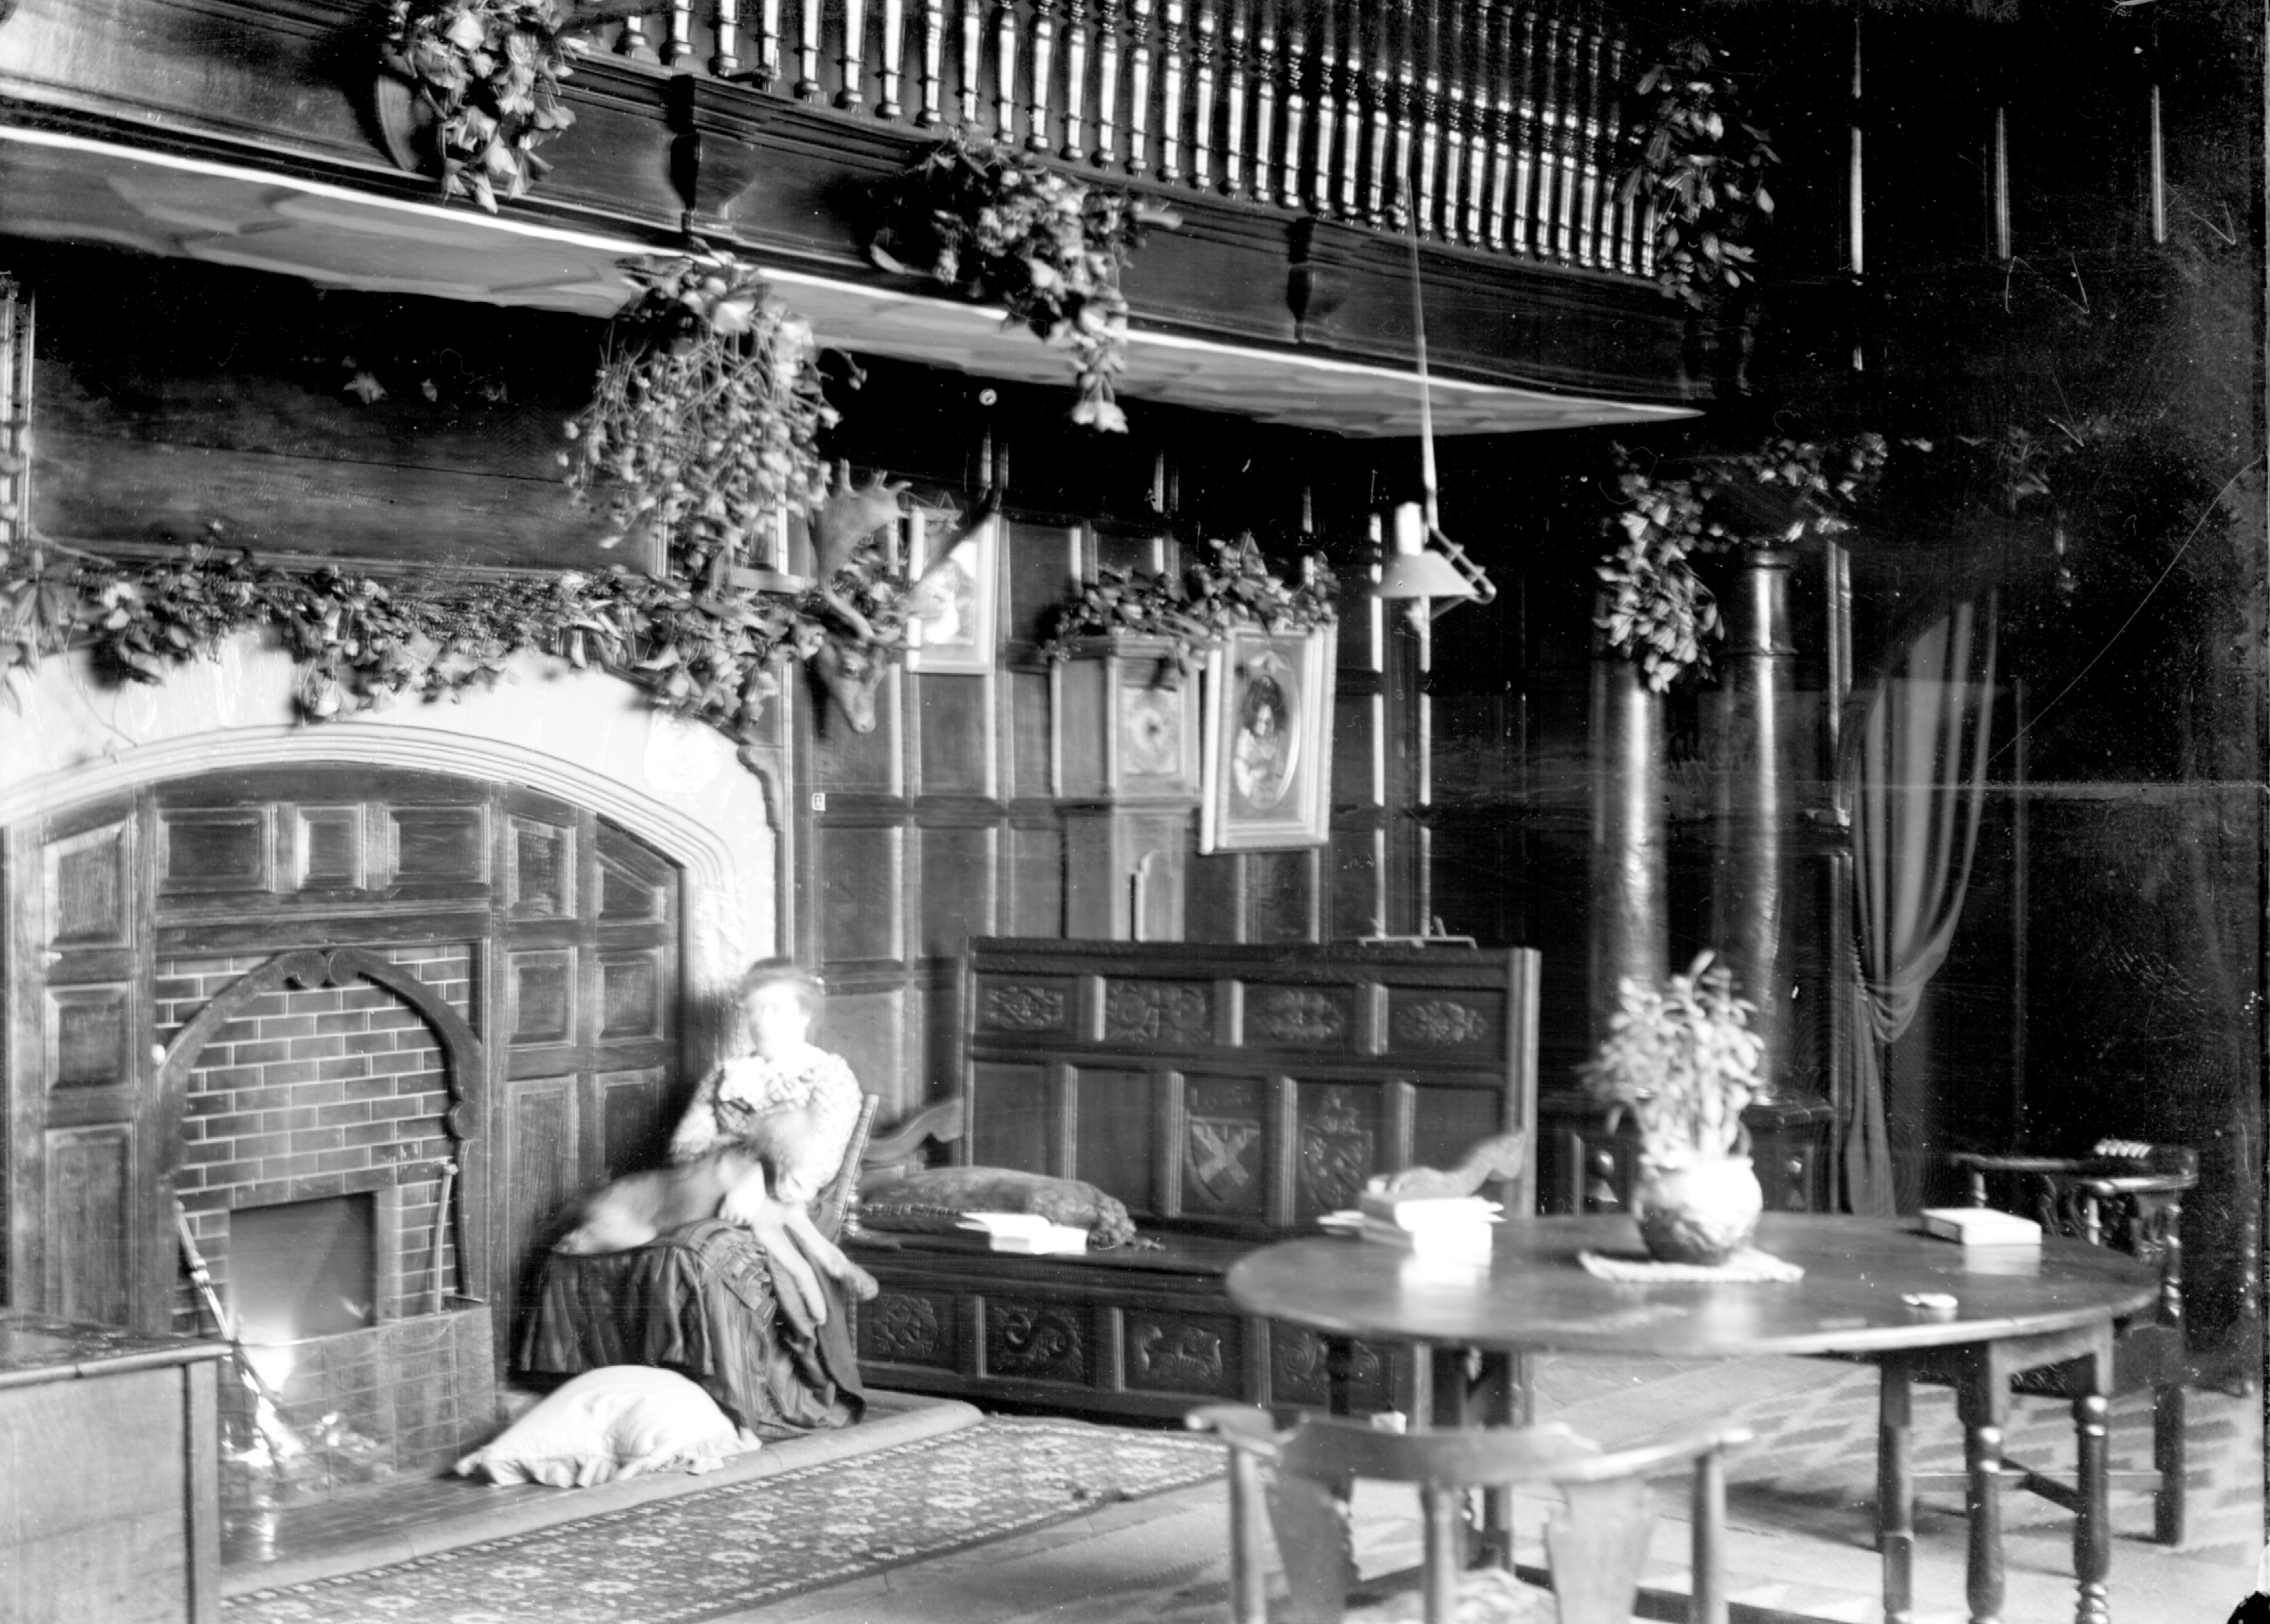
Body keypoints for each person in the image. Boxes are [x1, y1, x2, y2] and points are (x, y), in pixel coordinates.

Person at [671, 957, 863, 1212]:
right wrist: (748, 1168)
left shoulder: (828, 1075)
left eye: (776, 1009)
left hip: (795, 1211)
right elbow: (683, 1151)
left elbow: (815, 1166)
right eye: (754, 1010)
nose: (762, 1021)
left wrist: (758, 1180)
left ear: (804, 1015)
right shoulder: (726, 1075)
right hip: (718, 1198)